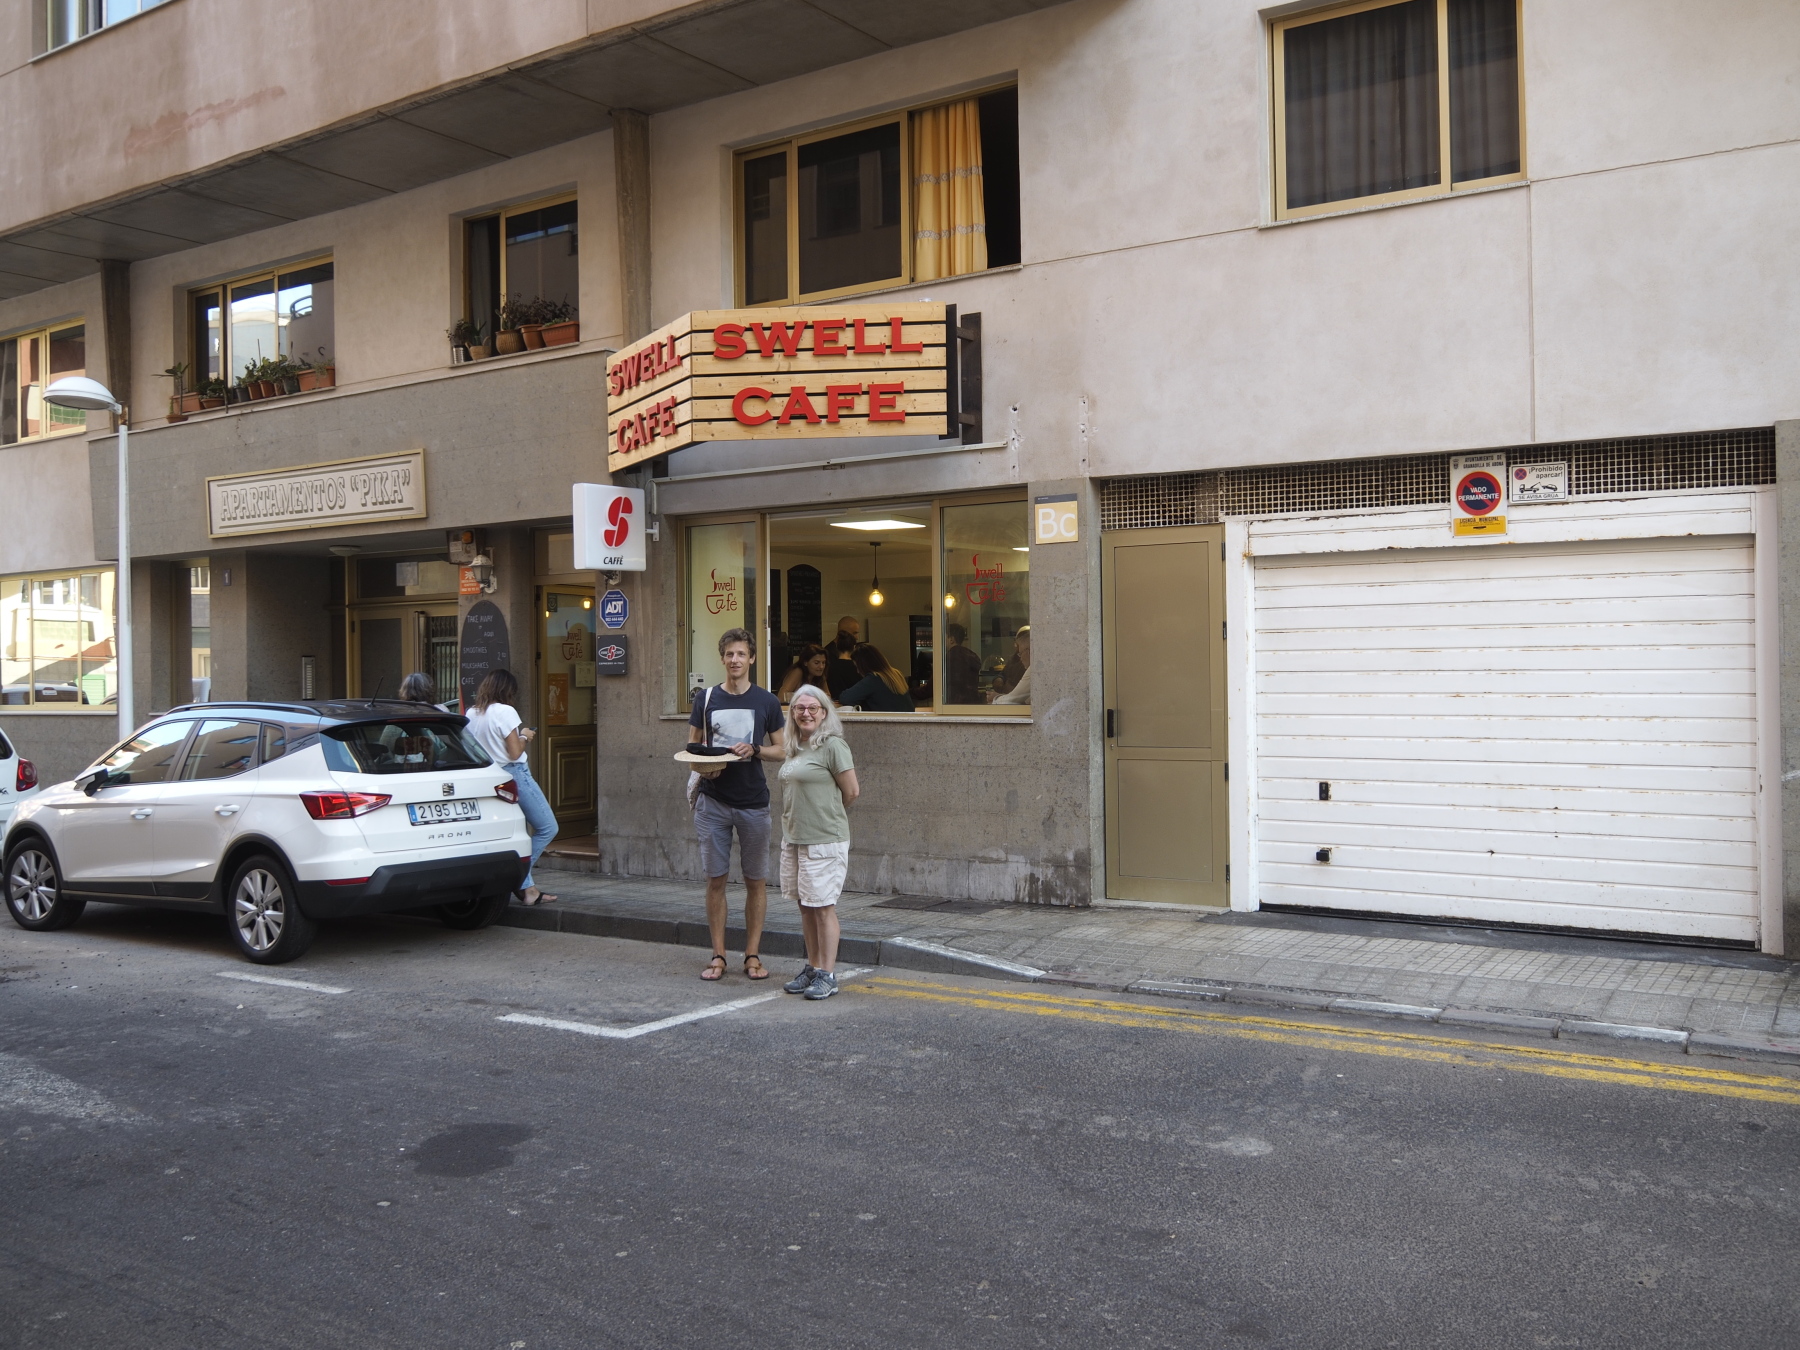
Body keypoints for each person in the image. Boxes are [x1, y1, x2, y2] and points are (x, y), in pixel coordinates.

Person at [687, 627, 785, 982]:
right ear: (722, 658)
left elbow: (783, 749)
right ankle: (717, 956)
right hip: (713, 802)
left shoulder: (767, 701)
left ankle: (752, 955)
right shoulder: (706, 698)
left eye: (741, 654)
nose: (735, 660)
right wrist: (704, 768)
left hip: (753, 802)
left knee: (755, 881)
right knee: (716, 880)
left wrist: (755, 749)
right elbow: (691, 748)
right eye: (729, 654)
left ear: (752, 659)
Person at [778, 685, 859, 1001]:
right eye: (800, 708)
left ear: (824, 713)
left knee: (823, 907)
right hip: (795, 838)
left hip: (824, 839)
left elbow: (851, 792)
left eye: (813, 708)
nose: (806, 713)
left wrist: (825, 815)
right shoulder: (795, 746)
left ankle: (827, 974)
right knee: (805, 905)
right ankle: (813, 968)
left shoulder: (833, 746)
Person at [464, 669, 558, 906]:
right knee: (548, 827)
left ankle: (528, 889)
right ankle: (520, 878)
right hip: (515, 774)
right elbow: (515, 752)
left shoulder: (472, 713)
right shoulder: (506, 711)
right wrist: (525, 735)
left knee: (511, 832)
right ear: (508, 691)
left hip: (489, 779)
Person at [838, 644, 915, 712]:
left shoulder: (874, 678)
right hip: (906, 723)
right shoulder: (897, 674)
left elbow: (846, 698)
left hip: (886, 725)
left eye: (857, 667)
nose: (858, 671)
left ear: (864, 665)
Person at [991, 626, 1032, 706]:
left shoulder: (1034, 671)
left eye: (1020, 653)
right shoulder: (1013, 660)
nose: (1020, 658)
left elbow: (1012, 700)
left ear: (1028, 652)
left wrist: (995, 699)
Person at [943, 623, 982, 704]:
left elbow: (936, 686)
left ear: (951, 639)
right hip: (973, 704)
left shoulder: (951, 657)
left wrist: (911, 692)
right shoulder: (971, 656)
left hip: (954, 705)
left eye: (944, 637)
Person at [824, 616, 861, 697]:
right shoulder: (828, 653)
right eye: (854, 633)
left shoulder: (828, 651)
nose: (857, 637)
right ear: (844, 632)